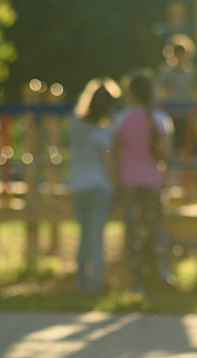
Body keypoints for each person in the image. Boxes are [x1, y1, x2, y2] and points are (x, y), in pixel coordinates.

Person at [113, 71, 175, 293]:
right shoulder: (159, 119)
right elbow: (166, 152)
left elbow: (116, 153)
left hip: (129, 180)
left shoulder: (121, 120)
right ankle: (162, 272)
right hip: (153, 180)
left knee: (134, 231)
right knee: (157, 227)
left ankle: (136, 279)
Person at [68, 78, 121, 295]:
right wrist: (117, 185)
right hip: (98, 187)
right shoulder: (103, 134)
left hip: (78, 186)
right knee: (96, 236)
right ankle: (94, 285)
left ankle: (81, 281)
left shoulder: (76, 126)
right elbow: (109, 164)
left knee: (83, 235)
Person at [157, 35, 197, 157]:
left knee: (188, 146)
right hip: (171, 113)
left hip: (186, 114)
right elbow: (159, 90)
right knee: (172, 146)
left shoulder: (190, 72)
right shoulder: (167, 72)